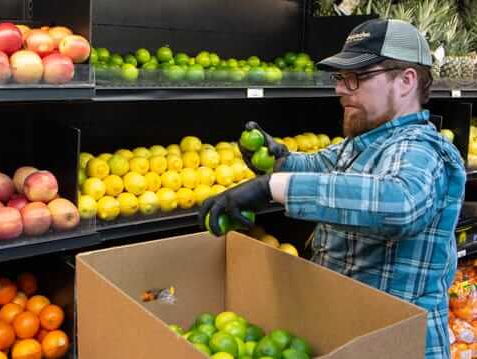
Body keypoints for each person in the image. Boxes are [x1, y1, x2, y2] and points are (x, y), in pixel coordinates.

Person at [199, 19, 466, 358]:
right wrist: (279, 160)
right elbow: (318, 167)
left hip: (399, 346)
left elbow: (400, 203)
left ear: (405, 81)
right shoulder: (361, 144)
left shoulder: (422, 149)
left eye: (357, 77)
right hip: (353, 334)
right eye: (341, 78)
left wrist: (273, 185)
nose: (341, 89)